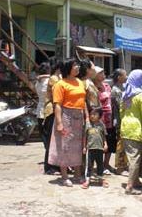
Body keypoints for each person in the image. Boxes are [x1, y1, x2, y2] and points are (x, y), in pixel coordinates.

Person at [49, 59, 86, 187]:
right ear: (68, 67)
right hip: (66, 115)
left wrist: (85, 115)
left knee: (77, 146)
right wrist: (59, 122)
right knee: (64, 146)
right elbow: (57, 105)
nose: (78, 67)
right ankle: (64, 176)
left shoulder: (80, 82)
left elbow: (83, 100)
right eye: (75, 65)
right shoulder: (60, 84)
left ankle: (77, 174)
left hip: (79, 115)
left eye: (78, 65)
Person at [120, 69, 142, 195]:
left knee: (132, 157)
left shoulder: (126, 93)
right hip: (136, 129)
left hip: (125, 127)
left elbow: (121, 112)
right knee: (135, 159)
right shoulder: (141, 95)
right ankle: (130, 186)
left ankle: (136, 181)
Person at [34, 61, 58, 174]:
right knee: (50, 140)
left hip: (40, 111)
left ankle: (51, 163)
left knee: (46, 140)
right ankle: (50, 166)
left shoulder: (38, 82)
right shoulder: (49, 81)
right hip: (48, 112)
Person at [93, 66, 115, 175]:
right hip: (98, 118)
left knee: (109, 141)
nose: (103, 74)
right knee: (99, 141)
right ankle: (98, 165)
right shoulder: (92, 87)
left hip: (109, 118)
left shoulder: (107, 86)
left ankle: (106, 164)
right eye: (100, 73)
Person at [81, 107, 109, 189]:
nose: (92, 116)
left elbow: (104, 136)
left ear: (99, 116)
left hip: (100, 149)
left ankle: (100, 179)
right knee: (89, 165)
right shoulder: (88, 125)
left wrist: (105, 144)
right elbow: (85, 137)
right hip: (90, 149)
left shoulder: (102, 125)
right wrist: (84, 147)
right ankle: (88, 180)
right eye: (91, 114)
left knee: (100, 165)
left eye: (94, 114)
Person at [111, 68, 129, 176]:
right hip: (119, 120)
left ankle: (124, 165)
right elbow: (120, 105)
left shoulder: (122, 88)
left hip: (124, 119)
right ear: (119, 77)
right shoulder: (116, 90)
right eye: (125, 75)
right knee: (120, 144)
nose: (126, 77)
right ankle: (119, 167)